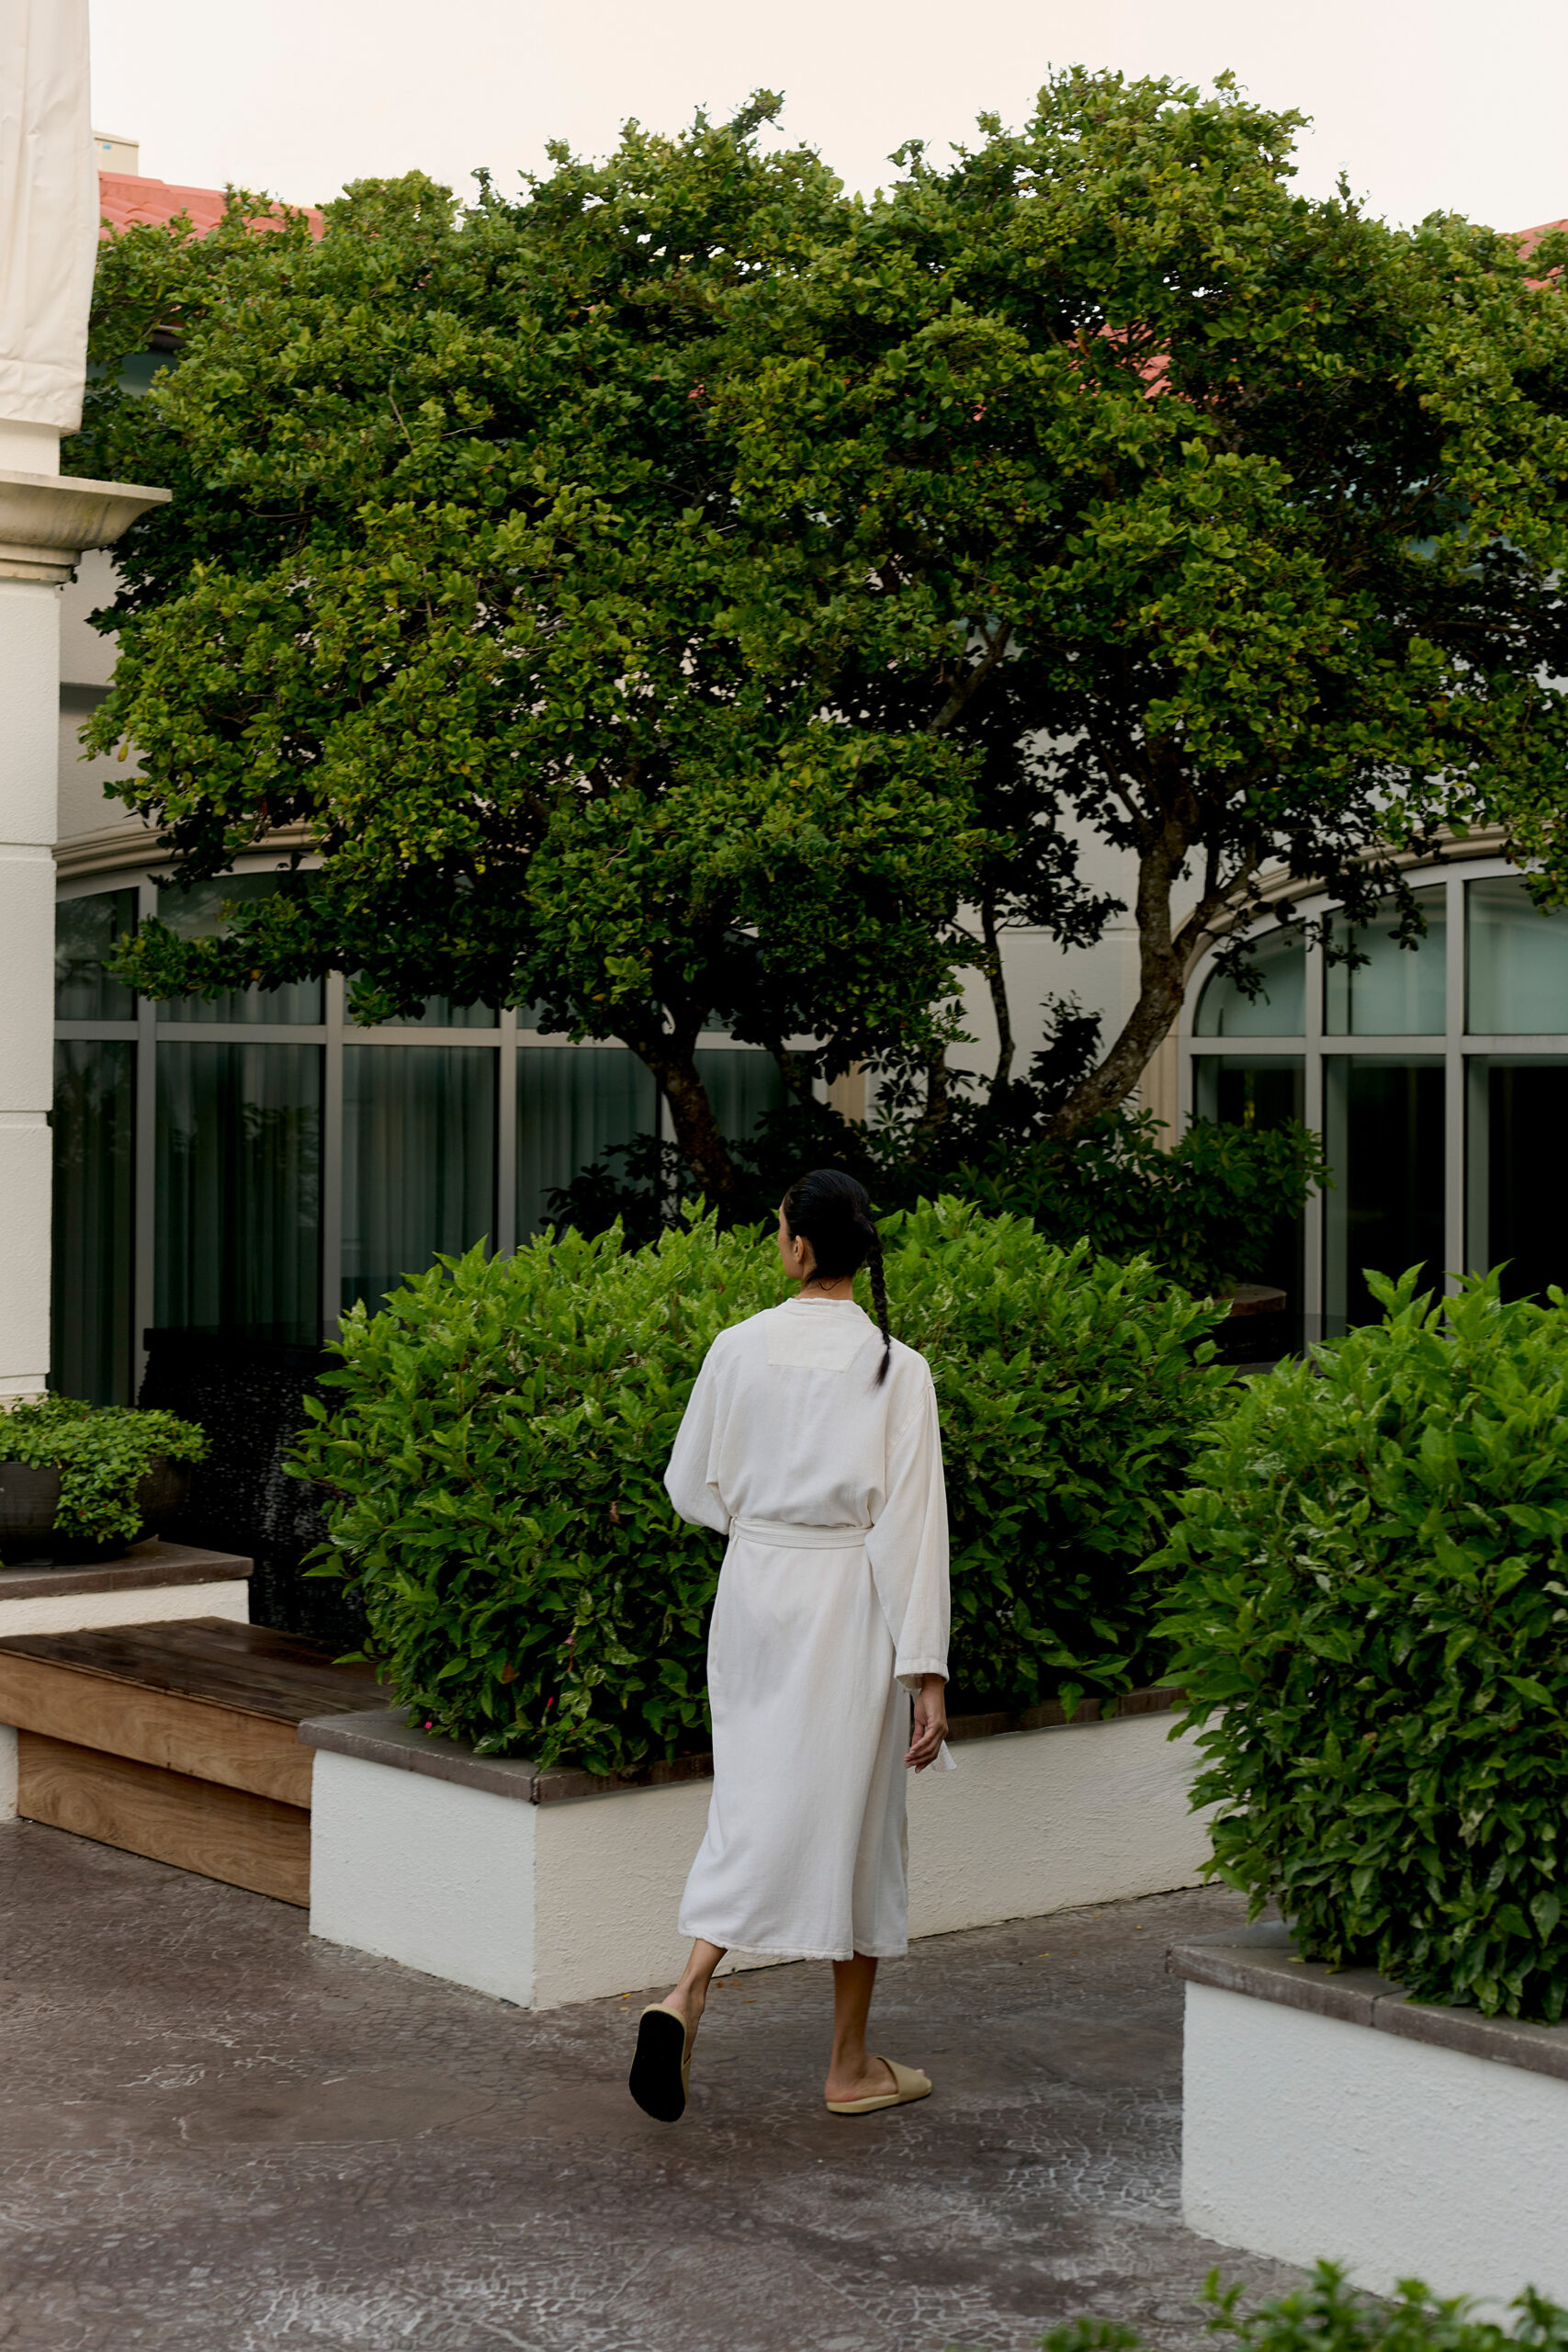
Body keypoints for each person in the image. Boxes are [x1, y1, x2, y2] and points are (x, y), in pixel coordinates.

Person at [628, 1168, 952, 2125]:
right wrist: (924, 1670)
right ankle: (848, 2064)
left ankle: (685, 1992)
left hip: (757, 1589)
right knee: (858, 1813)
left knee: (755, 1797)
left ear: (797, 1248)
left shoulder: (737, 1347)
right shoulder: (900, 1368)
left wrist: (761, 1528)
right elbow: (913, 1529)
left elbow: (688, 1483)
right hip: (852, 1598)